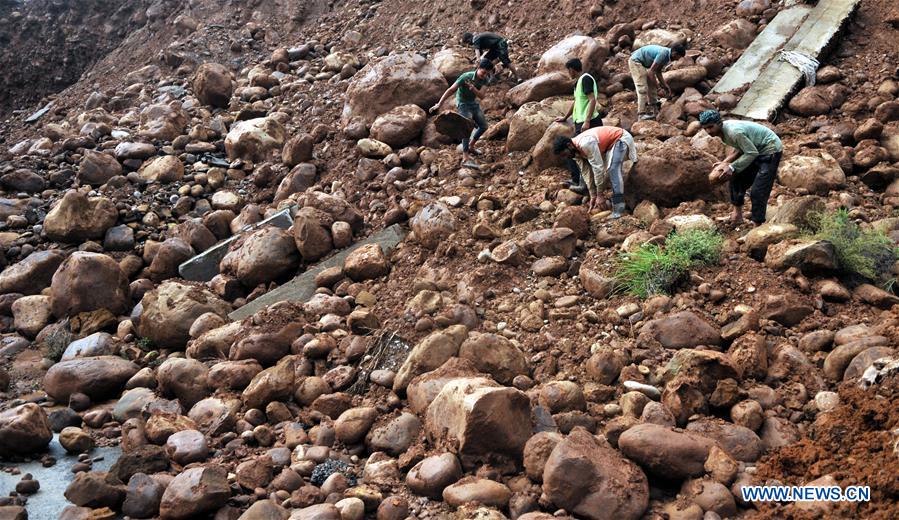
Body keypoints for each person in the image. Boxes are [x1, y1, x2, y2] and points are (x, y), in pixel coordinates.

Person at [699, 110, 783, 227]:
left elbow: (751, 153)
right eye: (705, 128)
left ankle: (757, 225)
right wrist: (725, 162)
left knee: (758, 190)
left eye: (711, 127)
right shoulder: (724, 132)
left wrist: (732, 166)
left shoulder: (734, 132)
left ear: (719, 123)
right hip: (755, 149)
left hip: (770, 149)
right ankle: (737, 216)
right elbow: (740, 148)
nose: (708, 131)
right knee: (736, 179)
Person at [553, 126, 637, 217]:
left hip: (620, 138)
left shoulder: (585, 144)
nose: (566, 157)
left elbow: (598, 168)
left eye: (565, 154)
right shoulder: (574, 152)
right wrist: (593, 195)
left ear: (569, 146)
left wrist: (599, 194)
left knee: (613, 170)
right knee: (606, 172)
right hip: (607, 147)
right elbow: (586, 173)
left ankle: (619, 209)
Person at [430, 59, 492, 168]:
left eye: (487, 73)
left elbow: (482, 96)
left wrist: (473, 89)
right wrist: (439, 104)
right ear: (478, 68)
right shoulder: (466, 76)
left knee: (484, 126)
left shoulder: (485, 80)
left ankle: (471, 146)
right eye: (483, 72)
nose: (485, 75)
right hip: (462, 103)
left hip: (473, 103)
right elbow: (451, 90)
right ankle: (465, 157)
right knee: (466, 128)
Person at [555, 58, 604, 192]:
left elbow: (592, 100)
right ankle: (577, 180)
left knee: (572, 150)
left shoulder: (586, 79)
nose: (568, 73)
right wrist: (565, 117)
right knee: (574, 151)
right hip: (581, 122)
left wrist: (587, 120)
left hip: (589, 122)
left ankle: (583, 184)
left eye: (568, 70)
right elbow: (576, 102)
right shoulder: (578, 83)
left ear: (571, 69)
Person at [628, 43, 686, 120]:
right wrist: (659, 89)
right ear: (675, 53)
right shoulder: (664, 53)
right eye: (679, 57)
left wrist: (665, 85)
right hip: (636, 61)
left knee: (652, 85)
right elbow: (651, 72)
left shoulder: (667, 56)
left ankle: (654, 108)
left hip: (643, 64)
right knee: (642, 88)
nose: (678, 59)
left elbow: (658, 71)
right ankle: (641, 114)